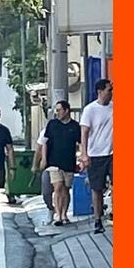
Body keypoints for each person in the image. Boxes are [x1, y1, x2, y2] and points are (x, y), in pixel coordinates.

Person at [40, 91, 83, 227]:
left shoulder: (75, 126)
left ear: (66, 110)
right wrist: (44, 159)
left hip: (69, 162)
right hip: (54, 162)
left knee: (65, 188)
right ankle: (58, 215)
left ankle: (64, 214)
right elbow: (45, 142)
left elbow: (80, 143)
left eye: (59, 110)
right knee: (57, 187)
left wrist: (81, 158)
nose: (57, 113)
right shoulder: (52, 124)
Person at [78, 72, 111, 234]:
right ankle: (98, 219)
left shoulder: (115, 107)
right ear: (100, 91)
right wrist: (84, 154)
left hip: (112, 154)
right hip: (96, 154)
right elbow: (84, 133)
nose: (111, 93)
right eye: (109, 90)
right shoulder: (90, 110)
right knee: (97, 188)